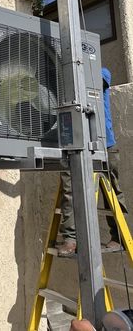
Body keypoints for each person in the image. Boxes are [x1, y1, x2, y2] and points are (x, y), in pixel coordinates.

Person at [57, 67, 128, 256]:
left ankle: (118, 237)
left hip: (104, 144)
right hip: (74, 143)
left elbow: (88, 79)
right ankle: (71, 238)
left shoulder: (101, 71)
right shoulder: (62, 76)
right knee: (69, 189)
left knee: (112, 191)